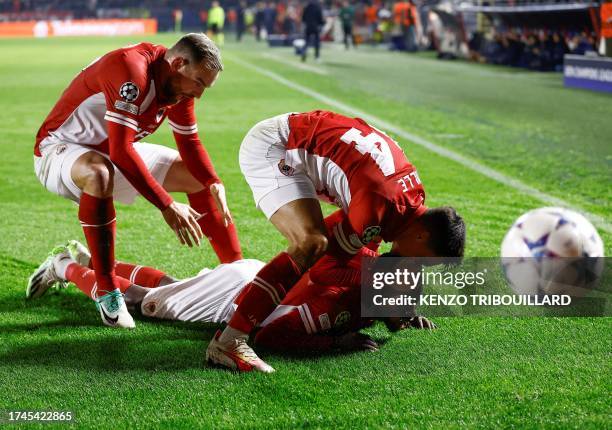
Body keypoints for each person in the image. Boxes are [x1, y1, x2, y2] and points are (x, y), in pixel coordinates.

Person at [206, 110, 466, 372]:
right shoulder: (379, 209)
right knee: (311, 243)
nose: (414, 265)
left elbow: (358, 248)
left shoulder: (409, 200)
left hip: (304, 138)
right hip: (275, 147)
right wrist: (374, 276)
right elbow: (324, 268)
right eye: (421, 260)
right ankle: (230, 341)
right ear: (423, 235)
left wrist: (399, 306)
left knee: (338, 243)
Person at [30, 33, 242, 329]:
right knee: (100, 172)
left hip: (108, 150)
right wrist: (167, 206)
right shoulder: (131, 70)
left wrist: (213, 181)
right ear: (178, 63)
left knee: (196, 177)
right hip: (59, 151)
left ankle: (236, 273)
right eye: (199, 83)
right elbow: (121, 150)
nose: (199, 93)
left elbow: (188, 140)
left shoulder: (178, 86)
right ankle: (107, 291)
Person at [29, 239, 435, 352]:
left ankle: (91, 259)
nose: (404, 313)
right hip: (238, 296)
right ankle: (64, 264)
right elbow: (269, 335)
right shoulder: (337, 303)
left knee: (169, 285)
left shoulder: (373, 278)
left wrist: (404, 314)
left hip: (256, 275)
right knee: (140, 302)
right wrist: (334, 342)